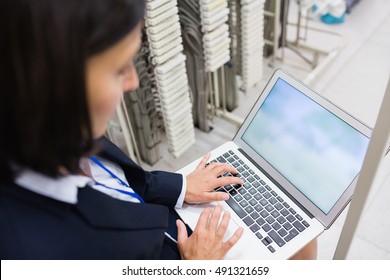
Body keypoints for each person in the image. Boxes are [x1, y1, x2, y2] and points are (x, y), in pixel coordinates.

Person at [0, 0, 316, 260]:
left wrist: (180, 187)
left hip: (159, 221)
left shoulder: (57, 127)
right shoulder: (29, 250)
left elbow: (122, 183)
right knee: (297, 245)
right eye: (117, 68)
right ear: (54, 84)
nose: (133, 82)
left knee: (302, 236)